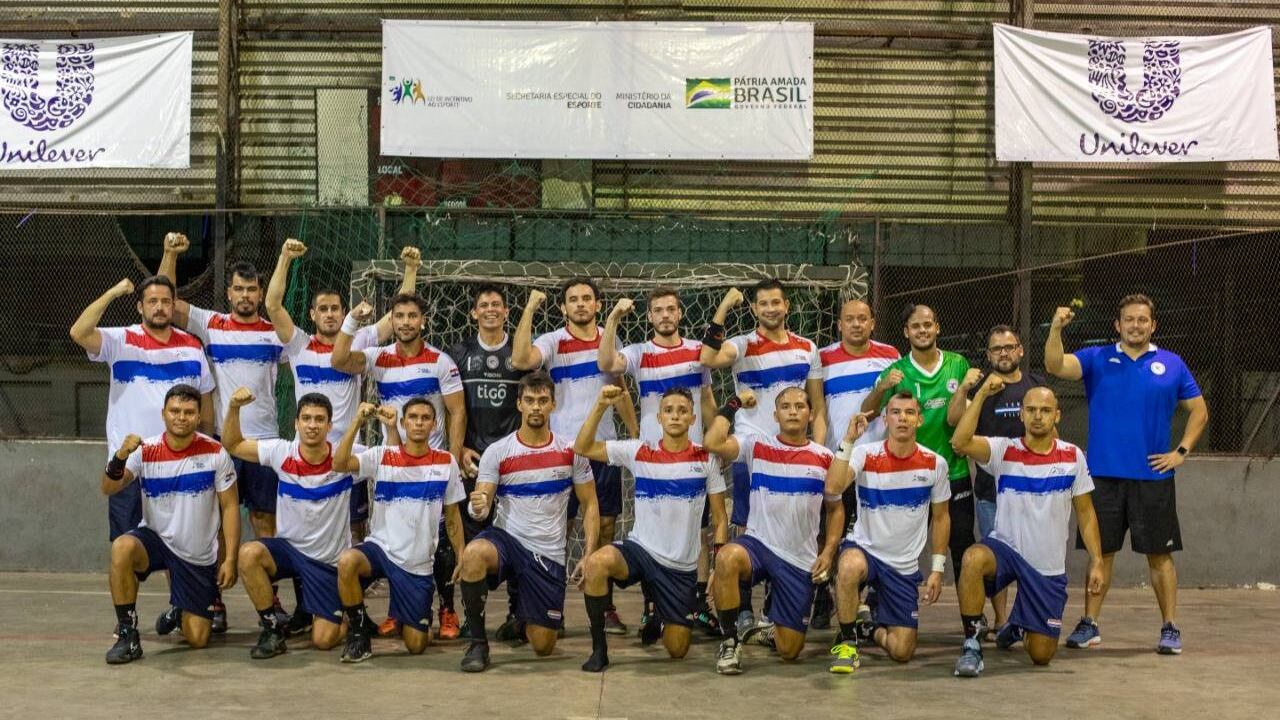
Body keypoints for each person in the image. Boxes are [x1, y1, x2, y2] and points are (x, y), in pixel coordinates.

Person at [1045, 295, 1208, 654]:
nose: (1136, 325)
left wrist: (1181, 452)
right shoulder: (1097, 357)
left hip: (1153, 478)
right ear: (1117, 325)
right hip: (1102, 477)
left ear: (1153, 325)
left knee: (1160, 556)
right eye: (1129, 320)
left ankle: (1170, 628)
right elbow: (1055, 365)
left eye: (1142, 320)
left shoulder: (1172, 364)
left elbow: (1199, 410)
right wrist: (1056, 328)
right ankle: (1090, 624)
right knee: (1100, 554)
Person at [70, 273, 223, 632]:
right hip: (131, 466)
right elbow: (79, 332)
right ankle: (127, 625)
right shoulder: (119, 340)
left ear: (173, 305)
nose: (160, 307)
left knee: (182, 540)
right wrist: (113, 291)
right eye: (152, 301)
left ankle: (182, 605)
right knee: (125, 547)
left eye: (166, 301)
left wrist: (207, 447)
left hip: (180, 466)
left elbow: (205, 401)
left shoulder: (192, 346)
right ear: (140, 306)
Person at [265, 238, 421, 544]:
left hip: (349, 453)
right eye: (323, 309)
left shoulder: (357, 340)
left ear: (344, 312)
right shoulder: (298, 345)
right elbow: (272, 305)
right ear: (312, 315)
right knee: (307, 524)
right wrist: (284, 258)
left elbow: (396, 317)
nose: (329, 314)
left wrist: (410, 270)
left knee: (355, 527)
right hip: (308, 453)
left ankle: (355, 568)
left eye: (335, 308)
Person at [950, 376, 1105, 677]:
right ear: (1021, 414)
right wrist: (980, 396)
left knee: (1041, 655)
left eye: (1045, 410)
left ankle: (1019, 625)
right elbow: (960, 442)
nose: (1037, 416)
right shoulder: (1002, 450)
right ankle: (972, 644)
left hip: (1045, 566)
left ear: (1057, 415)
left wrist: (1097, 560)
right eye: (1031, 410)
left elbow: (1086, 513)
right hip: (1006, 549)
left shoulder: (1073, 456)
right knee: (972, 558)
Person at [512, 279, 638, 634]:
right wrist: (530, 308)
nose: (580, 304)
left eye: (586, 298)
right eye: (573, 300)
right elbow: (520, 360)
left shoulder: (609, 341)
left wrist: (634, 435)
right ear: (563, 308)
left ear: (598, 305)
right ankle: (552, 607)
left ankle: (604, 607)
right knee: (559, 530)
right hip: (562, 453)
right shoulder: (553, 341)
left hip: (602, 448)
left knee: (607, 527)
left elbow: (620, 390)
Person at [574, 385, 730, 672]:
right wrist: (600, 405)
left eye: (682, 411)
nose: (675, 416)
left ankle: (658, 609)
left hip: (680, 568)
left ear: (693, 418)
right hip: (641, 550)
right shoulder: (639, 451)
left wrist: (717, 565)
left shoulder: (706, 460)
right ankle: (599, 650)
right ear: (658, 418)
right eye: (668, 410)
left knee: (677, 650)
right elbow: (582, 447)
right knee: (596, 563)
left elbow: (720, 519)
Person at [456, 372, 599, 672]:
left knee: (544, 647)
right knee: (473, 555)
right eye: (530, 400)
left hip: (547, 551)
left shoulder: (571, 451)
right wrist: (477, 507)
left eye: (543, 400)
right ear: (519, 404)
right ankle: (478, 644)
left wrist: (589, 555)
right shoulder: (498, 451)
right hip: (507, 540)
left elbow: (590, 504)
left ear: (553, 405)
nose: (536, 407)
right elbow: (482, 501)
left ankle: (523, 619)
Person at [597, 287, 718, 637]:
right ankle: (652, 609)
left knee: (699, 531)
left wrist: (715, 440)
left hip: (693, 457)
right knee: (651, 534)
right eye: (658, 310)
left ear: (679, 313)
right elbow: (606, 364)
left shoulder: (698, 351)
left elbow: (707, 399)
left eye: (670, 309)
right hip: (651, 459)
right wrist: (613, 317)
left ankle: (697, 604)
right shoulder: (639, 353)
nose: (665, 315)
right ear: (649, 316)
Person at [159, 235, 286, 543]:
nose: (245, 295)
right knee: (217, 519)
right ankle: (219, 578)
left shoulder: (277, 334)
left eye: (251, 289)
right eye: (239, 289)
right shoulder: (211, 323)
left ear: (260, 294)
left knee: (264, 518)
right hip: (222, 440)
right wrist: (170, 255)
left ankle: (264, 577)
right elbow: (166, 301)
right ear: (229, 292)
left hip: (264, 441)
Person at [704, 387, 838, 675]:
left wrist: (828, 552)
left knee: (790, 651)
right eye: (785, 406)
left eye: (800, 406)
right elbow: (712, 442)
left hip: (798, 558)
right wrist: (734, 403)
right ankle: (730, 642)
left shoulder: (825, 457)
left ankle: (770, 630)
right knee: (727, 557)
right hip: (758, 545)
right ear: (775, 415)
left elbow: (836, 509)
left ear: (810, 414)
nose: (793, 411)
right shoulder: (756, 445)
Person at [101, 385, 239, 664]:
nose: (181, 417)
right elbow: (108, 487)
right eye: (175, 411)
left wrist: (230, 559)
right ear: (163, 414)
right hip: (156, 540)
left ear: (198, 416)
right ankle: (128, 635)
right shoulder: (145, 450)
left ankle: (179, 608)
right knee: (122, 547)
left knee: (198, 638)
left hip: (196, 555)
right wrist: (119, 456)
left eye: (188, 412)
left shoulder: (215, 453)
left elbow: (230, 507)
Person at [223, 389, 366, 658]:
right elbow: (233, 444)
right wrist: (233, 407)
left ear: (330, 426)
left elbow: (391, 459)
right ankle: (272, 631)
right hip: (289, 551)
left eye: (319, 419)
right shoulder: (281, 452)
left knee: (323, 640)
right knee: (249, 553)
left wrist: (389, 427)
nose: (312, 425)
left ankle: (345, 614)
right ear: (296, 423)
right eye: (306, 418)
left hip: (327, 562)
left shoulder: (346, 457)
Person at [823, 394, 951, 673]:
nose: (902, 418)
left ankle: (867, 628)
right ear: (885, 419)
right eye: (895, 412)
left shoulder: (935, 464)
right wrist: (848, 440)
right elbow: (832, 488)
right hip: (866, 550)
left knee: (902, 651)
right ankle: (847, 644)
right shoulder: (865, 454)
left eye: (909, 412)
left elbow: (941, 518)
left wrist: (937, 569)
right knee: (849, 565)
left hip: (902, 567)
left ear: (920, 419)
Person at [331, 399, 466, 662]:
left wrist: (461, 554)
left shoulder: (446, 462)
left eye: (425, 418)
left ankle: (413, 615)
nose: (419, 423)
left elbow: (452, 514)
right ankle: (359, 634)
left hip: (417, 563)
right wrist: (357, 421)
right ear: (403, 423)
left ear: (434, 425)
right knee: (347, 561)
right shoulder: (383, 456)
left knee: (416, 644)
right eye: (413, 417)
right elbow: (339, 463)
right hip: (381, 549)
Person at [946, 324, 1045, 643]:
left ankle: (1028, 619)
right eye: (996, 349)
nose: (1003, 353)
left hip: (1033, 492)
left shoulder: (1036, 386)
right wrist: (967, 389)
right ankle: (1002, 621)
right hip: (991, 493)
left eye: (1009, 347)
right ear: (988, 355)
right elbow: (953, 421)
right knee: (995, 558)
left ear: (1020, 350)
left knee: (1033, 557)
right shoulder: (981, 387)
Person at [861, 304, 972, 582]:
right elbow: (867, 413)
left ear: (937, 328)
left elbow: (964, 414)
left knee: (962, 547)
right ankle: (884, 601)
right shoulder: (895, 371)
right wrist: (882, 387)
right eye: (915, 326)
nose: (922, 330)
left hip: (954, 470)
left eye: (927, 324)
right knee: (895, 545)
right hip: (909, 476)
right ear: (906, 332)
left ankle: (970, 611)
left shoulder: (958, 364)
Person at [444, 283, 527, 640]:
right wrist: (459, 448)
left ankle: (518, 614)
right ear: (474, 313)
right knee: (471, 539)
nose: (490, 309)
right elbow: (451, 409)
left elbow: (533, 405)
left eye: (497, 304)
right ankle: (471, 617)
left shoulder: (520, 354)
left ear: (506, 312)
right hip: (473, 462)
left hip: (512, 461)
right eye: (484, 305)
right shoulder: (458, 353)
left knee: (517, 536)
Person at [814, 298, 899, 629]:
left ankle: (868, 598)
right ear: (839, 324)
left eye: (863, 318)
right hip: (838, 458)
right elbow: (817, 407)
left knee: (873, 532)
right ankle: (822, 594)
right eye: (849, 319)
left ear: (873, 323)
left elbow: (895, 405)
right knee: (828, 531)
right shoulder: (822, 358)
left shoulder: (890, 355)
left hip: (877, 463)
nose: (856, 324)